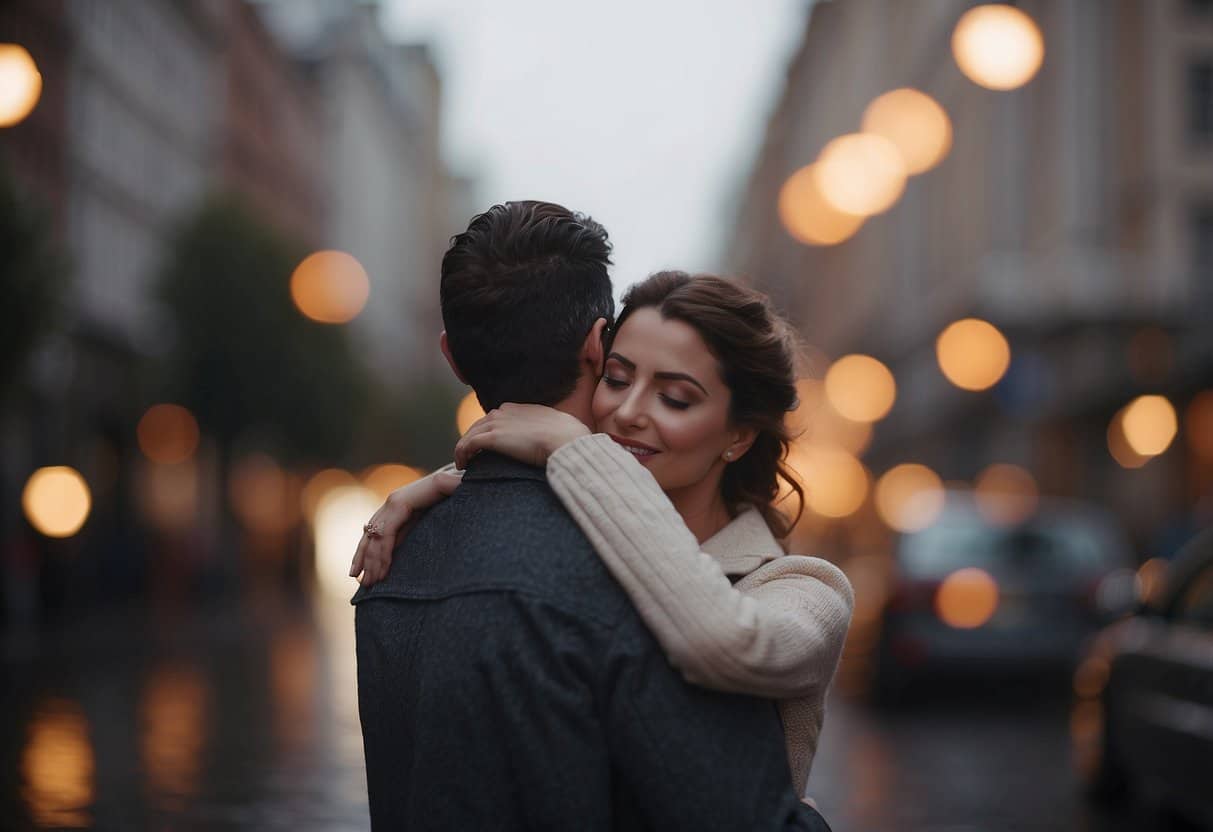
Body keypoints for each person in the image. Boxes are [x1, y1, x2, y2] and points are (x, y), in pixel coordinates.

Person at [351, 201, 831, 830]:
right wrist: (450, 480)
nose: (629, 413)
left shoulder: (804, 588)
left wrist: (569, 448)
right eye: (618, 378)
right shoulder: (579, 555)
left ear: (738, 435)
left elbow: (723, 633)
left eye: (675, 397)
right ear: (595, 351)